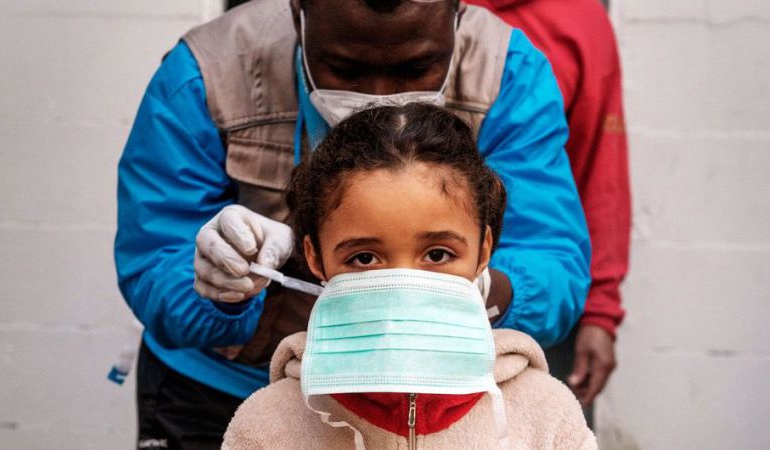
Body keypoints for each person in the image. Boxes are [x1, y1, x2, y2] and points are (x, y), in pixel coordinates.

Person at [115, 0, 590, 447]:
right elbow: (154, 261)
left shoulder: (509, 72)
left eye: (416, 68)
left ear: (457, 12)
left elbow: (552, 263)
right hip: (220, 391)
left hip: (444, 395)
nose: (375, 102)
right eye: (344, 69)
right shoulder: (205, 73)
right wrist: (231, 292)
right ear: (298, 10)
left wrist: (471, 291)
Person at [222, 103, 595, 449]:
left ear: (483, 251)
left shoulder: (546, 414)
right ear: (315, 258)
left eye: (437, 254)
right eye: (364, 258)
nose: (403, 286)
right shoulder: (268, 424)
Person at [464, 0, 631, 415]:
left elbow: (599, 167)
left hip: (531, 305)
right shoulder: (410, 12)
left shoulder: (579, 17)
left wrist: (600, 311)